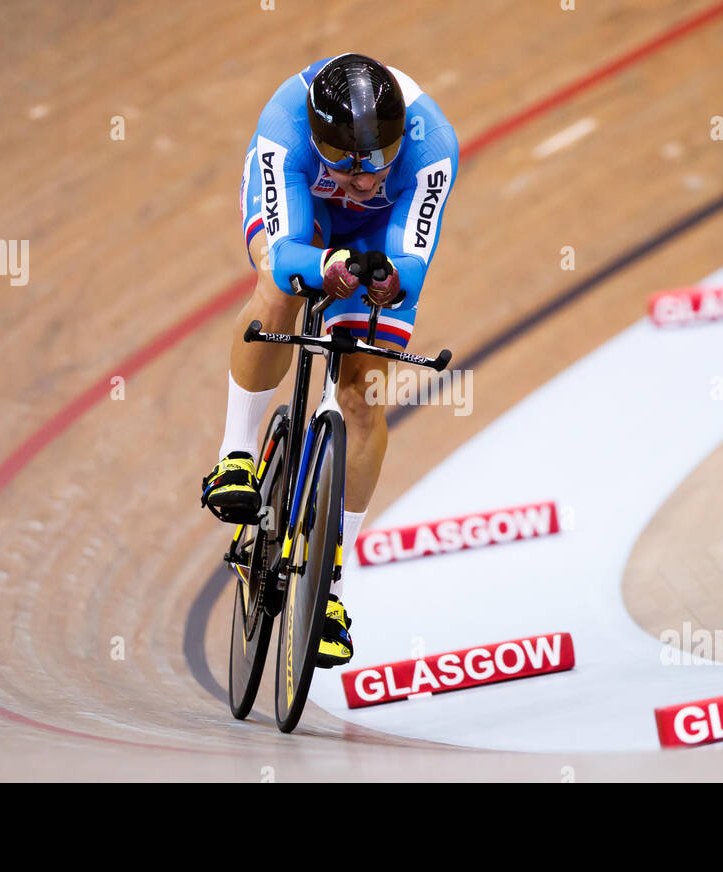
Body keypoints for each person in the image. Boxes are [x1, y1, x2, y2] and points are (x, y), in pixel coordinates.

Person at [203, 53, 459, 666]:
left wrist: (391, 279)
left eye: (377, 161)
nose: (364, 178)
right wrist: (320, 266)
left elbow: (411, 264)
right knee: (277, 290)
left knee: (363, 395)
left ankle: (332, 591)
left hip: (378, 237)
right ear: (318, 141)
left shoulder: (431, 148)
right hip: (304, 223)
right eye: (345, 163)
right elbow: (277, 253)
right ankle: (236, 455)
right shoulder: (285, 128)